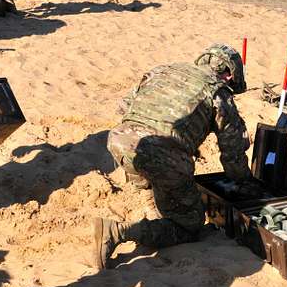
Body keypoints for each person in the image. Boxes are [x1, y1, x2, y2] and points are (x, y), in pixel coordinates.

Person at [93, 44, 252, 269]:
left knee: (160, 171)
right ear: (228, 74)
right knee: (190, 226)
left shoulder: (164, 70)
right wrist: (245, 183)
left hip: (120, 142)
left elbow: (124, 108)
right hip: (159, 155)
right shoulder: (219, 93)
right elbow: (232, 152)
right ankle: (120, 232)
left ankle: (154, 206)